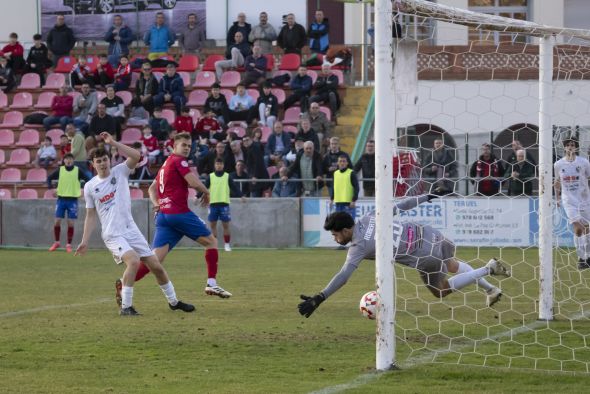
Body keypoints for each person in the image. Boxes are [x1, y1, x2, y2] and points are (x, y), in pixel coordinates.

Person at [297, 196, 511, 318]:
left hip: (425, 257)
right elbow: (402, 205)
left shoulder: (358, 246)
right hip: (431, 234)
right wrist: (428, 196)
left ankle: (488, 268)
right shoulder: (371, 216)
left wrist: (321, 297)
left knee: (441, 290)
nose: (335, 239)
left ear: (345, 230)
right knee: (453, 264)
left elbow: (343, 276)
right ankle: (491, 289)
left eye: (335, 235)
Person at [76, 132, 195, 316]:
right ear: (93, 164)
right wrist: (84, 240)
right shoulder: (90, 187)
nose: (102, 163)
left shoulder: (120, 170)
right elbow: (90, 215)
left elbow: (137, 156)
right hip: (112, 234)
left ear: (109, 159)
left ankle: (174, 302)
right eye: (98, 161)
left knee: (156, 266)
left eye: (105, 159)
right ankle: (126, 307)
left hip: (130, 229)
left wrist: (113, 142)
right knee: (133, 261)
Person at [133, 132, 232, 298]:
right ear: (174, 145)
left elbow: (151, 189)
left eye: (189, 145)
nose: (186, 148)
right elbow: (192, 182)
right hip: (178, 212)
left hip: (164, 216)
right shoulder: (179, 160)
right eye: (183, 145)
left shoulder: (165, 164)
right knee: (212, 242)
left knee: (155, 260)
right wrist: (207, 192)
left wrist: (157, 204)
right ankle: (212, 283)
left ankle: (124, 283)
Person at [554, 135, 590, 270]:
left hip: (584, 199)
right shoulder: (558, 164)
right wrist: (557, 198)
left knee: (587, 229)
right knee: (578, 227)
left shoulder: (584, 162)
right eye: (568, 144)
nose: (570, 147)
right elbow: (557, 182)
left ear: (576, 147)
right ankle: (581, 258)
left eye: (573, 145)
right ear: (564, 147)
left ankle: (588, 256)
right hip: (568, 201)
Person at [47, 153, 90, 253]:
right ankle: (56, 242)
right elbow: (49, 178)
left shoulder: (77, 170)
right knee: (57, 221)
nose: (68, 161)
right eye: (66, 159)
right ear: (64, 160)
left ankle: (68, 244)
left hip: (72, 200)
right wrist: (51, 189)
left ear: (73, 160)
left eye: (70, 159)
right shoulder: (60, 170)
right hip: (61, 199)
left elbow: (88, 180)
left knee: (70, 223)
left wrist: (84, 190)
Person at [205, 158, 245, 252]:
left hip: (224, 204)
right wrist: (196, 196)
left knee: (226, 225)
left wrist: (241, 196)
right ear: (215, 165)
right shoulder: (210, 177)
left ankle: (227, 245)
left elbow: (234, 187)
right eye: (217, 164)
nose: (219, 165)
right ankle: (214, 245)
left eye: (220, 164)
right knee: (213, 225)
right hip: (213, 204)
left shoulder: (227, 176)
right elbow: (204, 188)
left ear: (223, 165)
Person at [330, 155, 359, 220]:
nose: (342, 163)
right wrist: (331, 199)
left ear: (347, 163)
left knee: (349, 223)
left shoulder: (351, 173)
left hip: (348, 203)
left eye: (344, 161)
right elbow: (333, 187)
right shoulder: (335, 173)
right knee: (340, 223)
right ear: (337, 163)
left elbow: (356, 187)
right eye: (340, 161)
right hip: (338, 203)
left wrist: (353, 200)